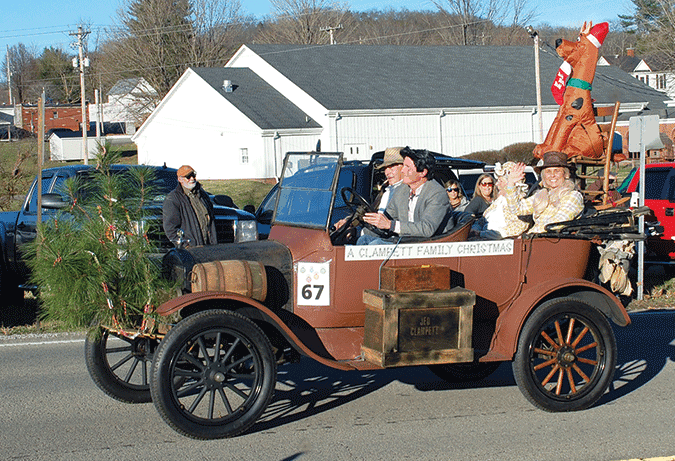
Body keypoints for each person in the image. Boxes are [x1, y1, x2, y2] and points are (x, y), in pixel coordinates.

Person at [359, 148, 451, 244]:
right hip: (405, 243)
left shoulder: (437, 193)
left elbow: (427, 229)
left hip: (430, 246)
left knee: (376, 245)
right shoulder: (402, 190)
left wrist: (391, 225)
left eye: (407, 167)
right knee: (364, 239)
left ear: (423, 172)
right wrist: (358, 232)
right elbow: (388, 217)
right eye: (403, 166)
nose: (403, 170)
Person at [503, 151, 584, 234]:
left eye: (557, 171)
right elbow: (517, 209)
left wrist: (531, 233)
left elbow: (557, 223)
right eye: (548, 172)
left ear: (566, 174)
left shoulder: (573, 195)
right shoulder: (541, 195)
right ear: (543, 176)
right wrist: (511, 183)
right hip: (538, 240)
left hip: (559, 242)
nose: (552, 175)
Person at [333, 147, 405, 238]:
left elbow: (393, 223)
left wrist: (358, 232)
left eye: (392, 166)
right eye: (385, 168)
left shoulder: (407, 191)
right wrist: (348, 222)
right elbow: (369, 211)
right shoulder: (386, 190)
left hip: (392, 239)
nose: (387, 172)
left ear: (404, 167)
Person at [469, 162, 530, 239]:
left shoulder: (520, 202)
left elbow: (519, 227)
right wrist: (474, 230)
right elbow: (481, 221)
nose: (497, 184)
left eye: (500, 181)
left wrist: (482, 234)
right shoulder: (499, 201)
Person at [163, 165, 217, 248]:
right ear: (180, 179)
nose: (192, 179)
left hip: (208, 248)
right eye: (188, 176)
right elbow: (170, 229)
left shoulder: (203, 196)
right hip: (190, 251)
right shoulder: (173, 199)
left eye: (193, 175)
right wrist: (185, 246)